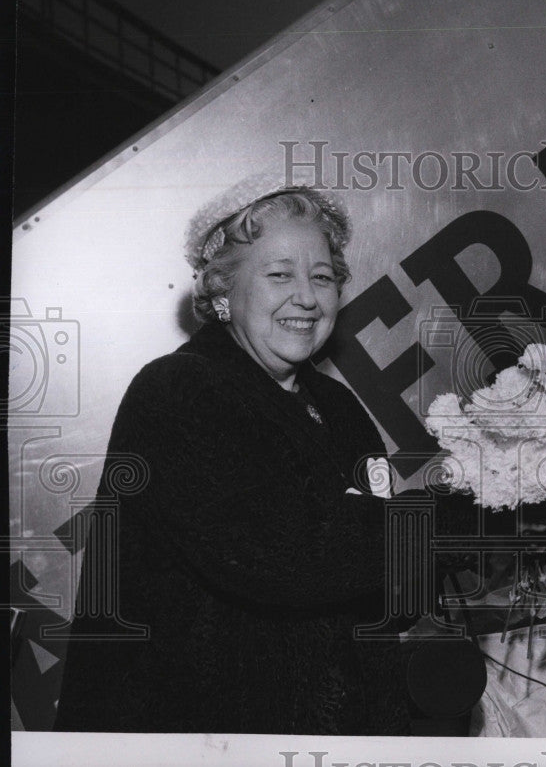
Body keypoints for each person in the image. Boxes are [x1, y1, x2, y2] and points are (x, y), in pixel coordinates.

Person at [55, 176, 409, 734]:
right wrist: (444, 524)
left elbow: (387, 592)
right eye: (279, 275)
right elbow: (290, 559)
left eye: (323, 277)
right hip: (200, 734)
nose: (308, 298)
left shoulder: (335, 403)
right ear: (222, 292)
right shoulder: (179, 390)